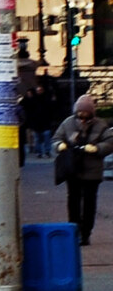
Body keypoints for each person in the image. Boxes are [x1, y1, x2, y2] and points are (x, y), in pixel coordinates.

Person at [55, 93, 110, 244]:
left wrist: (97, 148)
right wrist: (59, 145)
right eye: (80, 115)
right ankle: (74, 229)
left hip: (92, 171)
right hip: (73, 169)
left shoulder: (101, 125)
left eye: (86, 115)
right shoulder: (68, 123)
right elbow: (57, 138)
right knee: (73, 200)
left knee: (89, 202)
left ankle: (85, 233)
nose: (83, 118)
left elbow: (110, 142)